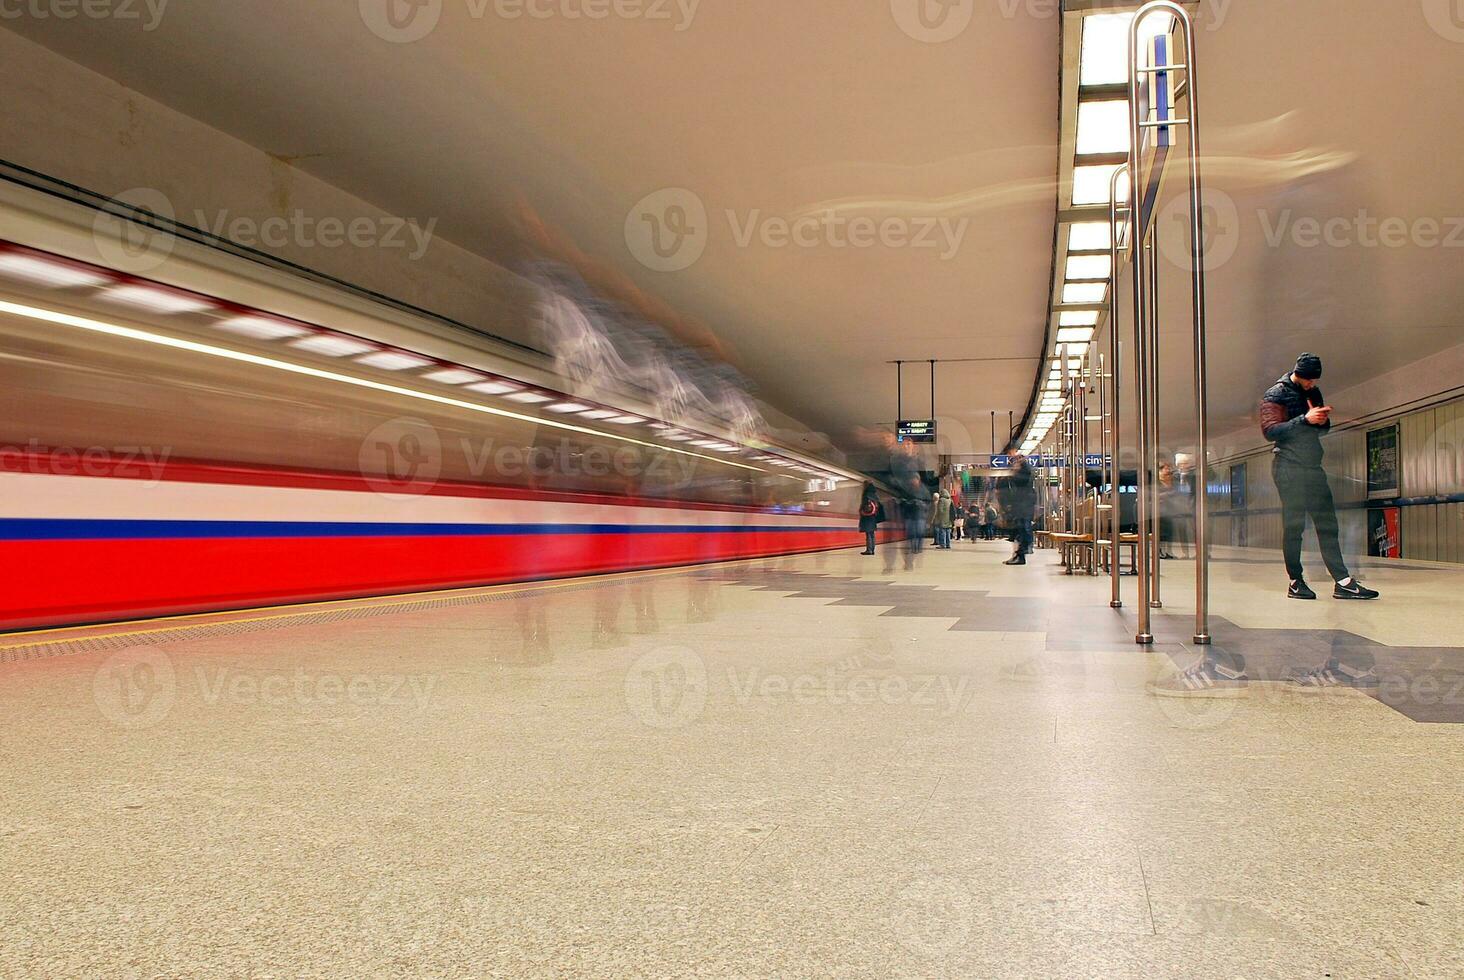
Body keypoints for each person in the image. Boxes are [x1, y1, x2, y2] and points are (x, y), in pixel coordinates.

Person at [1261, 353, 1379, 602]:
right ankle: (1295, 581)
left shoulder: (1313, 393)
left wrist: (1321, 421)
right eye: (1309, 381)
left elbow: (1322, 429)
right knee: (1294, 526)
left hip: (1313, 466)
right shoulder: (1276, 394)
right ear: (1299, 375)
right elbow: (1270, 431)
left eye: (1315, 381)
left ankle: (1343, 581)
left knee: (1327, 523)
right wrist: (1304, 419)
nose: (1312, 385)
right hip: (1288, 466)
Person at [998, 453, 1037, 565]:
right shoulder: (1023, 474)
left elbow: (1019, 481)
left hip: (1023, 508)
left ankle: (1021, 555)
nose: (1014, 463)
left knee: (1021, 531)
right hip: (1020, 507)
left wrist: (1012, 474)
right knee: (1017, 532)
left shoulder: (1025, 473)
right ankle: (1017, 555)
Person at [858, 481, 885, 556]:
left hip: (867, 516)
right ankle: (872, 549)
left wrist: (861, 511)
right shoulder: (874, 494)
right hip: (873, 516)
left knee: (868, 534)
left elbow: (864, 506)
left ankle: (869, 550)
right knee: (872, 534)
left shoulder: (866, 494)